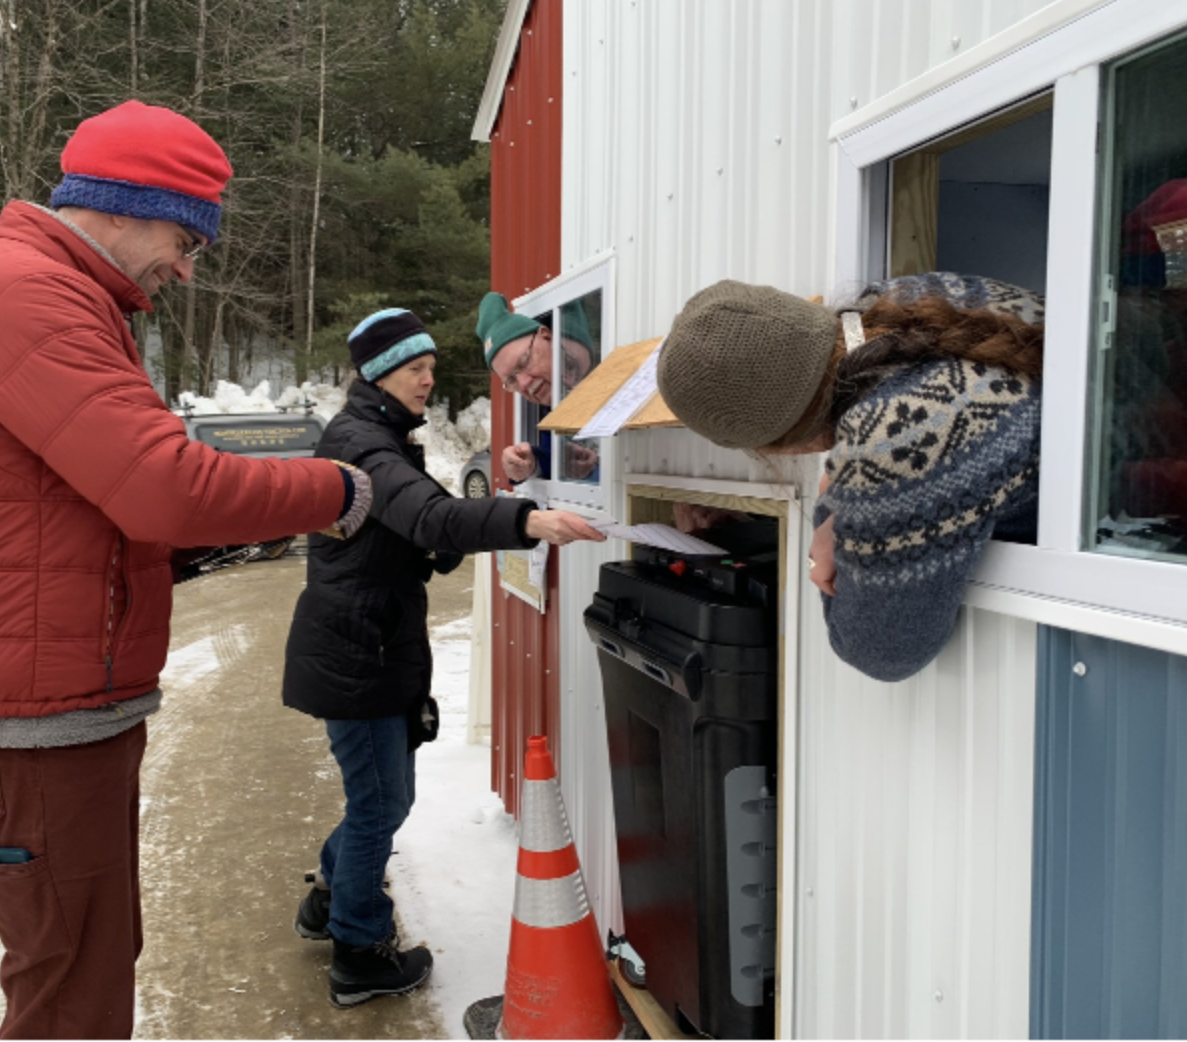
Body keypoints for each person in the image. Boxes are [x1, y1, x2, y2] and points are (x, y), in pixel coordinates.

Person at [0, 100, 372, 1039]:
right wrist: (336, 491)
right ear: (122, 205)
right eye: (184, 236)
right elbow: (162, 485)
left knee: (90, 962)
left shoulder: (59, 295)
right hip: (33, 717)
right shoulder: (26, 294)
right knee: (69, 995)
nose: (186, 268)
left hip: (61, 704)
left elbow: (91, 506)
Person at [281, 308, 604, 1008]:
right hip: (358, 652)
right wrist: (528, 521)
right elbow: (427, 519)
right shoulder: (364, 444)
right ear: (377, 373)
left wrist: (492, 493)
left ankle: (331, 901)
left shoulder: (384, 437)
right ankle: (359, 953)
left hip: (373, 642)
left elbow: (423, 532)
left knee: (376, 799)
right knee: (381, 804)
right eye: (414, 368)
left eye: (430, 366)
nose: (429, 378)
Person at [658, 272, 1045, 683]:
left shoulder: (890, 441)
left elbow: (878, 651)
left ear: (776, 445)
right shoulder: (914, 294)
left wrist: (830, 527)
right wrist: (846, 513)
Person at [478, 292, 599, 481]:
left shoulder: (608, 350)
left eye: (524, 361)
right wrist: (531, 465)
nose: (524, 383)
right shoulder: (547, 397)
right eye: (511, 380)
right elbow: (553, 458)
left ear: (547, 336)